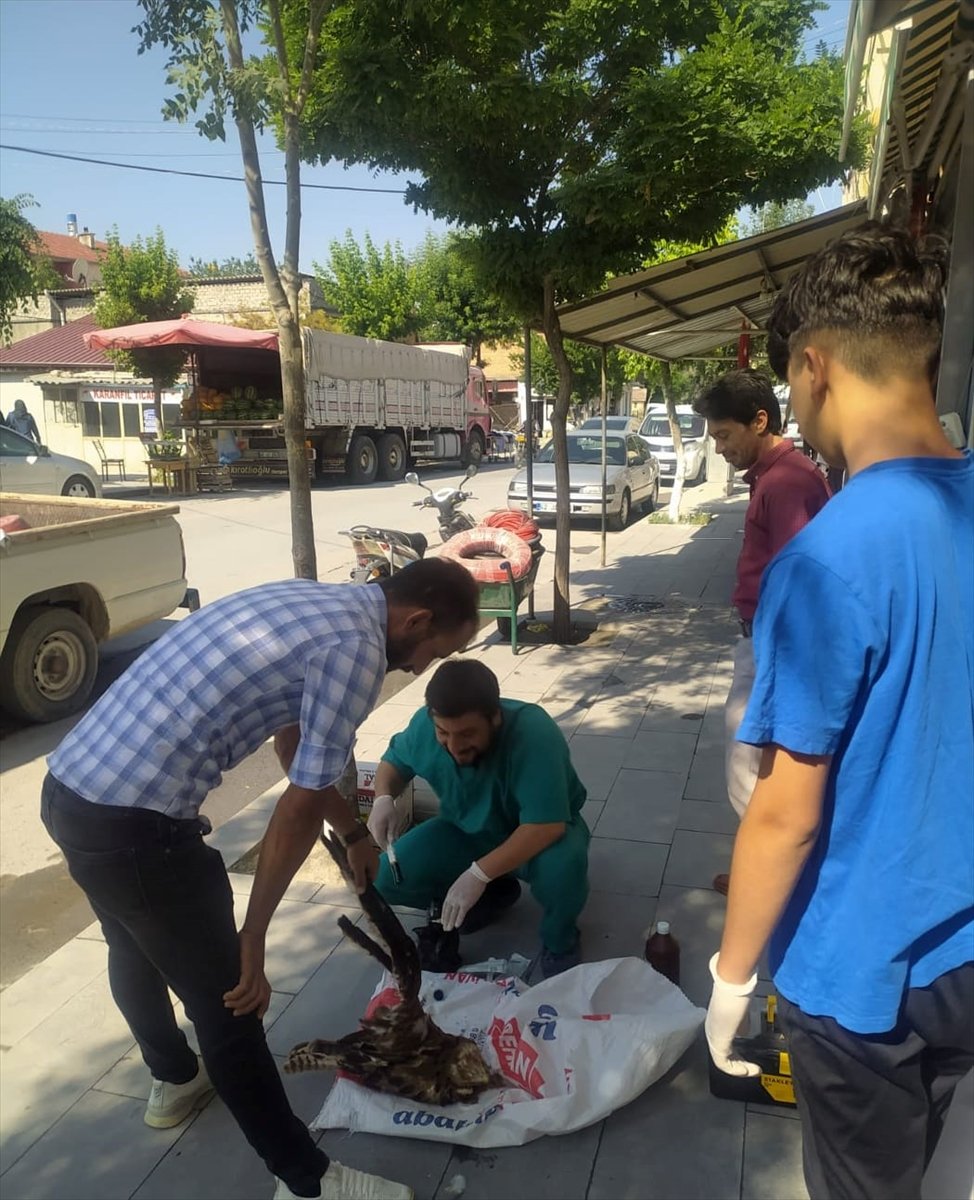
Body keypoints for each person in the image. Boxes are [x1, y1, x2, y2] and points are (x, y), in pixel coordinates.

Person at [41, 559, 480, 1200]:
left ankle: (175, 1078)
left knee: (130, 941)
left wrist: (355, 834)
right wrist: (252, 936)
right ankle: (306, 1182)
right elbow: (297, 804)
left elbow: (293, 746)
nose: (420, 669)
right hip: (137, 828)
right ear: (415, 620)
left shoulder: (314, 604)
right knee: (233, 1002)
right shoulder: (357, 652)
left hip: (74, 793)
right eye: (433, 651)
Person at [704, 223, 973, 1200]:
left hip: (861, 973)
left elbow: (785, 810)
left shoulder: (827, 559)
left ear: (813, 366)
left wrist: (731, 978)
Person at [693, 369, 831, 895]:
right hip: (763, 641)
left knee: (747, 769)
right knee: (749, 765)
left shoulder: (789, 483)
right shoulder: (774, 478)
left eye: (725, 436)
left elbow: (804, 581)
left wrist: (780, 663)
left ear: (760, 421)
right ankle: (762, 866)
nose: (721, 448)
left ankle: (773, 880)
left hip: (777, 647)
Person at [367, 659, 589, 978]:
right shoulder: (423, 726)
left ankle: (561, 940)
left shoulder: (533, 732)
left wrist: (479, 873)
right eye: (444, 732)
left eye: (467, 733)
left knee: (563, 868)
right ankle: (491, 895)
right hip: (464, 831)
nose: (454, 746)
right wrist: (383, 797)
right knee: (385, 878)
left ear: (495, 718)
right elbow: (394, 762)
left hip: (535, 835)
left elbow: (546, 825)